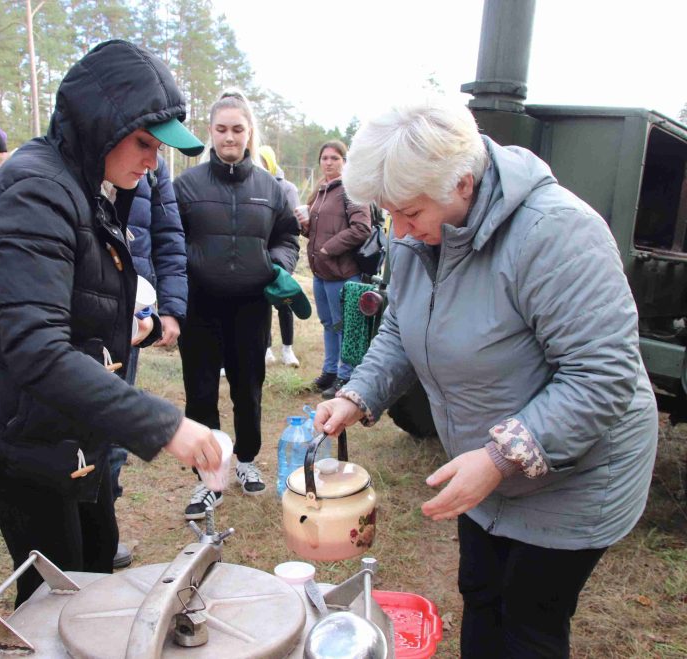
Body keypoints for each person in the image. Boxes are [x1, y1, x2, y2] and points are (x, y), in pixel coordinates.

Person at [315, 102, 658, 659]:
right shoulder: (423, 228)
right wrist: (360, 393)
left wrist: (499, 459)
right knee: (480, 591)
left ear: (463, 183)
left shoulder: (556, 233)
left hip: (576, 475)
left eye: (408, 212)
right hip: (487, 466)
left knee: (529, 618)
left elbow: (600, 376)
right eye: (388, 214)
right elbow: (404, 324)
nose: (399, 231)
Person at [0, 39, 221, 607]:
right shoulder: (38, 190)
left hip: (61, 415)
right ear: (98, 123)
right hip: (11, 418)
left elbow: (59, 300)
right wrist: (168, 426)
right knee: (55, 589)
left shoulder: (85, 180)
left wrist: (121, 329)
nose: (152, 161)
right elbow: (36, 349)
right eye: (144, 143)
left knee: (96, 555)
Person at [174, 90, 299, 519]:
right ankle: (209, 478)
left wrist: (277, 264)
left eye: (238, 129)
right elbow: (170, 242)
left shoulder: (271, 188)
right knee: (201, 393)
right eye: (222, 129)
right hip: (200, 308)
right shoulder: (185, 186)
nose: (230, 137)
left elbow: (286, 237)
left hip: (250, 307)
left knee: (248, 387)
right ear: (210, 131)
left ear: (249, 133)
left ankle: (245, 459)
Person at [109, 154, 187, 568]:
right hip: (78, 316)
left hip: (132, 317)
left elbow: (169, 235)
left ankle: (105, 522)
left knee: (115, 422)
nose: (151, 156)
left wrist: (170, 307)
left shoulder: (154, 168)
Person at [298, 140, 370, 399]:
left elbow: (362, 228)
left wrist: (329, 247)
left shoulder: (351, 190)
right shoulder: (321, 190)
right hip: (321, 272)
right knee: (328, 324)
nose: (328, 162)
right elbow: (317, 230)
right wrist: (305, 226)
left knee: (343, 326)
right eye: (324, 158)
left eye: (334, 158)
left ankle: (346, 375)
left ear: (344, 161)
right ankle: (329, 371)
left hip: (342, 272)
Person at [259, 145, 301, 368]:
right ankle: (266, 348)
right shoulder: (251, 186)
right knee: (263, 301)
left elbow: (290, 225)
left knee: (283, 301)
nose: (261, 167)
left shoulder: (287, 189)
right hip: (258, 254)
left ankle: (287, 349)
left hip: (280, 255)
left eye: (264, 162)